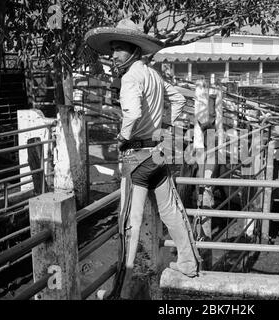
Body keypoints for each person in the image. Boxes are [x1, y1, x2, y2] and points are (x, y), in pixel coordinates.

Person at [85, 18, 201, 299]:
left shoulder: (130, 78)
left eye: (119, 49)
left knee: (129, 222)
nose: (113, 55)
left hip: (136, 157)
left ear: (134, 50)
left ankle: (120, 288)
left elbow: (133, 114)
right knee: (172, 210)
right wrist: (164, 127)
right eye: (112, 49)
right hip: (157, 154)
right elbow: (180, 101)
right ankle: (189, 262)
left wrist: (123, 138)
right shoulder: (154, 75)